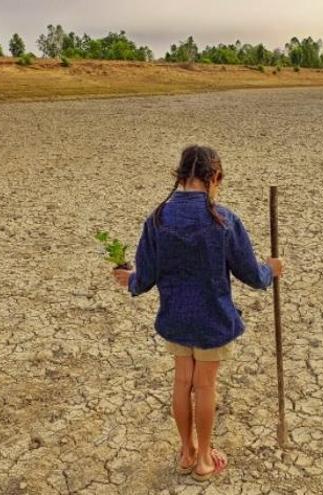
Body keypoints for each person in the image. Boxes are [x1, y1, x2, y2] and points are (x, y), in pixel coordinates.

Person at [113, 145, 284, 482]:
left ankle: (187, 450)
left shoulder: (157, 219)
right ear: (215, 177)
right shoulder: (224, 220)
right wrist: (271, 270)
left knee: (181, 382)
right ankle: (204, 458)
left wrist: (129, 280)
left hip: (175, 318)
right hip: (212, 319)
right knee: (204, 386)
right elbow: (250, 274)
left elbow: (145, 278)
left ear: (179, 176)